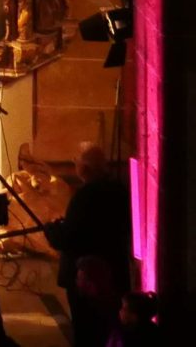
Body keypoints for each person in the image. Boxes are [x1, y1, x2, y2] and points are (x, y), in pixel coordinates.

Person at [43, 144, 128, 347]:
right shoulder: (119, 190)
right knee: (109, 326)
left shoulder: (84, 196)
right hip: (113, 269)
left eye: (76, 162)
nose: (75, 166)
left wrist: (51, 231)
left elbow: (69, 238)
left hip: (85, 276)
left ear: (85, 168)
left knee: (85, 330)